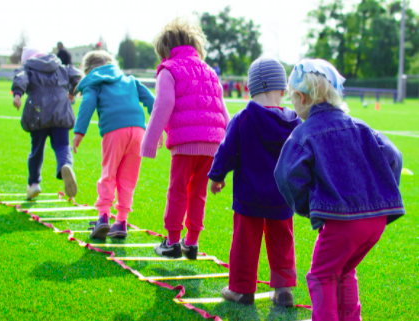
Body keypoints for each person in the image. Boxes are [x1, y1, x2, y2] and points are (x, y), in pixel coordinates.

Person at [274, 59, 405, 321]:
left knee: (321, 275)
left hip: (342, 223)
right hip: (376, 221)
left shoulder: (304, 133)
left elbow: (286, 174)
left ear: (301, 97)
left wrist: (306, 206)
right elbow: (394, 156)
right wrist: (380, 193)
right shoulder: (362, 126)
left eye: (292, 98)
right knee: (344, 271)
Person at [208, 57, 302, 306]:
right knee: (283, 243)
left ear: (250, 88)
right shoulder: (295, 122)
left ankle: (242, 290)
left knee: (244, 244)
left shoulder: (242, 118)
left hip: (248, 196)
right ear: (283, 90)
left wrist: (217, 176)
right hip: (283, 197)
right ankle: (283, 291)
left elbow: (226, 151)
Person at [141, 17, 230, 259]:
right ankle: (191, 242)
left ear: (165, 50)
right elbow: (223, 110)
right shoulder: (210, 71)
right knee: (198, 192)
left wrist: (150, 140)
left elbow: (164, 104)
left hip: (185, 142)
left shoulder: (168, 69)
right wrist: (230, 148)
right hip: (213, 143)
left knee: (177, 190)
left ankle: (171, 242)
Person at [73, 50, 155, 239]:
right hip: (138, 132)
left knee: (109, 173)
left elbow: (87, 104)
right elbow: (152, 101)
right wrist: (157, 128)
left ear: (88, 70)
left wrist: (79, 132)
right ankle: (121, 222)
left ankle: (103, 217)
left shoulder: (94, 82)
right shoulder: (130, 80)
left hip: (114, 131)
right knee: (128, 178)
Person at [12, 47, 81, 200]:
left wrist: (17, 95)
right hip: (61, 112)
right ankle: (66, 165)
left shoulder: (28, 68)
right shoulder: (60, 66)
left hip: (38, 113)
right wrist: (72, 93)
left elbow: (21, 78)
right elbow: (77, 76)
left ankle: (34, 183)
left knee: (37, 149)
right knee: (63, 146)